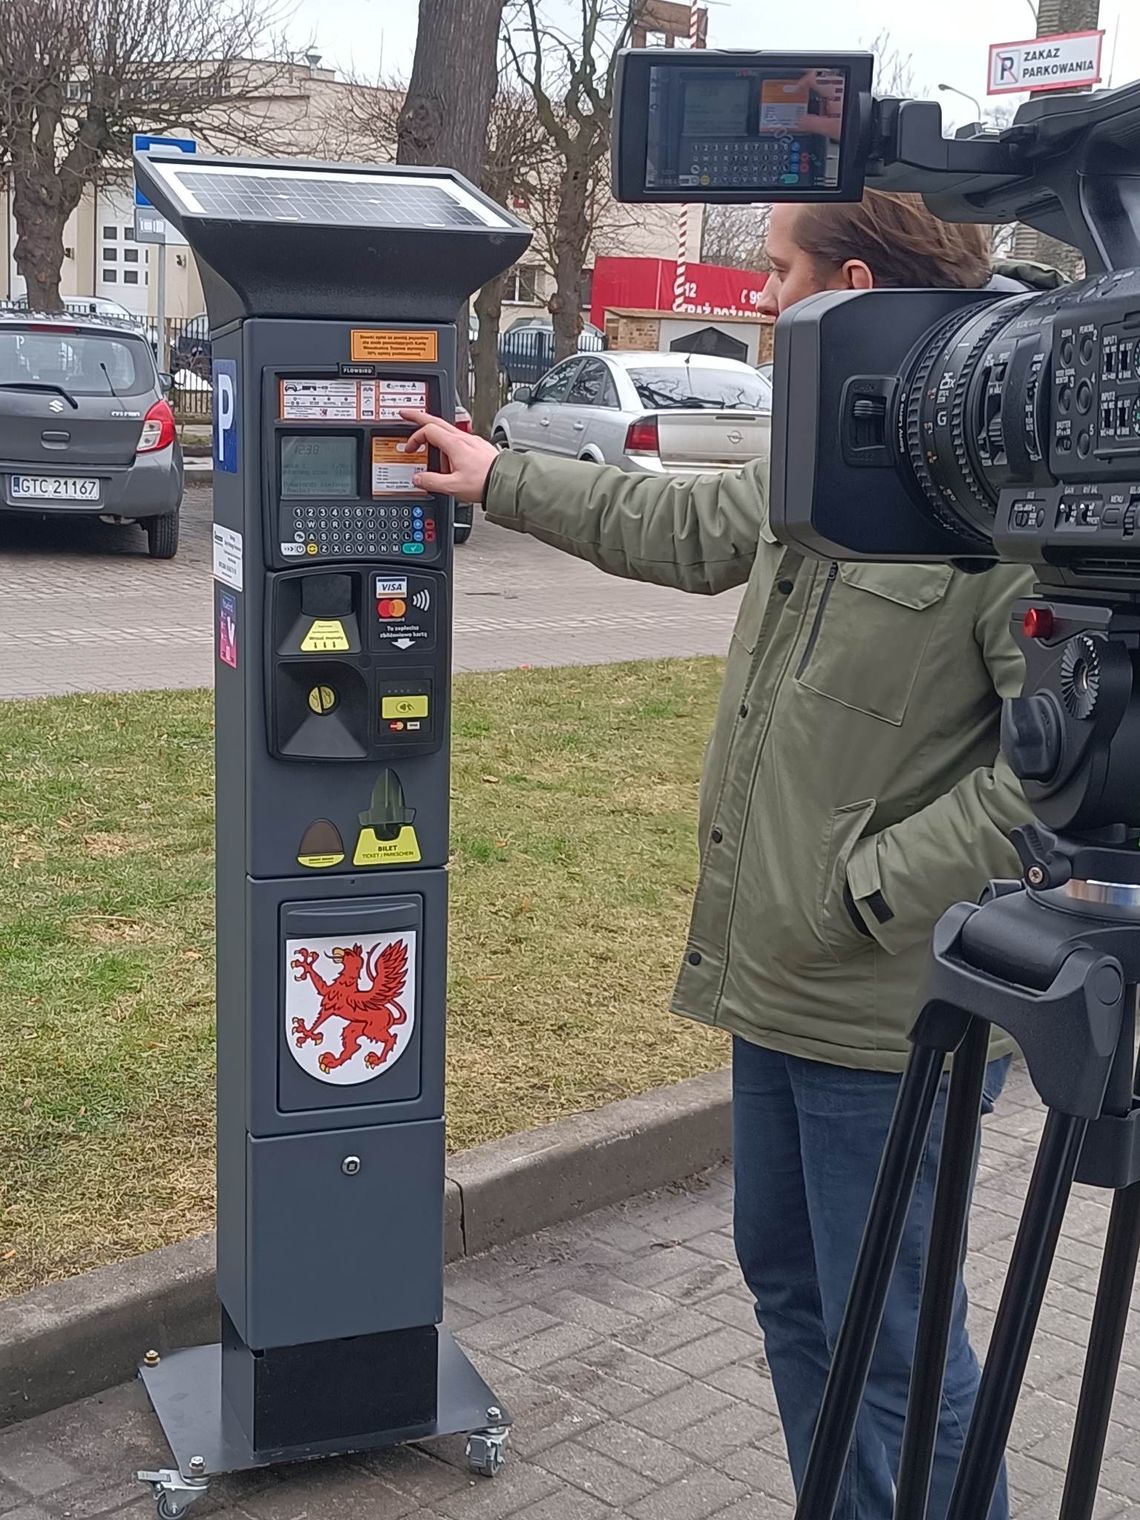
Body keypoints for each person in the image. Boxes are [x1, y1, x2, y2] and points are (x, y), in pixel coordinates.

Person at [401, 192, 1060, 1520]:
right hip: (775, 980)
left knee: (900, 1342)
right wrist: (495, 474)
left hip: (891, 1010)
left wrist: (868, 890)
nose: (757, 297)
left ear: (851, 282)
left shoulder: (1008, 503)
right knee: (792, 1294)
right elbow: (690, 530)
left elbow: (1054, 779)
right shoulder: (833, 453)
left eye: (775, 272)